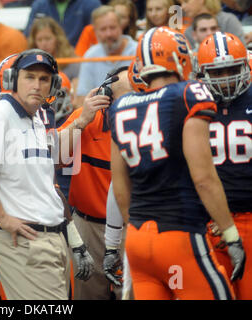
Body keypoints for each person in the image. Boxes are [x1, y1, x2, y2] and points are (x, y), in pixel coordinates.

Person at [109, 26, 245, 299]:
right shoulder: (189, 94)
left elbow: (120, 187)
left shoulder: (121, 107)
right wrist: (231, 234)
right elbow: (204, 178)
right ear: (180, 59)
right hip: (178, 234)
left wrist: (135, 224)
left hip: (137, 238)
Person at [0, 49, 94, 300]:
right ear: (14, 80)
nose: (37, 85)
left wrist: (81, 120)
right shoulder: (1, 113)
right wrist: (3, 216)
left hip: (50, 238)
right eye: (30, 77)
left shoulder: (37, 118)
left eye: (44, 79)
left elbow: (48, 178)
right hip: (26, 241)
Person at [56, 67, 130, 300]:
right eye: (127, 98)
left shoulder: (147, 122)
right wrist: (82, 121)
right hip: (88, 227)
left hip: (132, 227)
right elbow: (53, 159)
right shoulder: (86, 117)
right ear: (106, 97)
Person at [197, 31, 252, 300]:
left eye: (231, 69)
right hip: (208, 221)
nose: (226, 78)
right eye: (217, 72)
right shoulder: (191, 104)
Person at [75, 5, 137, 107]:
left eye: (112, 28)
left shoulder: (137, 51)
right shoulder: (91, 56)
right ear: (95, 32)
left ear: (121, 27)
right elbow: (82, 99)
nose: (108, 34)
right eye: (103, 29)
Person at [27, 16, 80, 90]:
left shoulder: (71, 60)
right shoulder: (28, 63)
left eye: (48, 38)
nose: (44, 44)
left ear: (57, 38)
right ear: (34, 42)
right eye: (39, 40)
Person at [23, 0, 101, 47]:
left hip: (79, 60)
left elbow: (98, 38)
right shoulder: (39, 5)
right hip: (44, 60)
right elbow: (29, 37)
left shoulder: (91, 4)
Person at [181, 0, 245, 49]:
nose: (182, 7)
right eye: (203, 30)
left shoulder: (228, 21)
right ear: (194, 34)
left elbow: (242, 51)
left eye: (186, 1)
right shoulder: (188, 32)